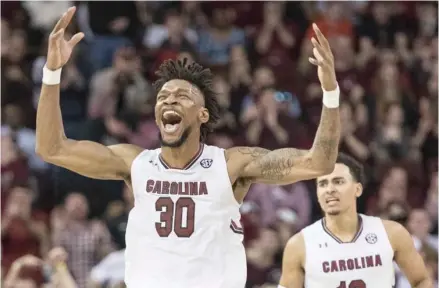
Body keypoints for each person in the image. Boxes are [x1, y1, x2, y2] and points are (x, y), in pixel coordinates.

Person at [36, 7, 341, 288]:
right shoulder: (136, 163)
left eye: (181, 95)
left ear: (202, 114)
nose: (168, 99)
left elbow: (318, 163)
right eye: (163, 96)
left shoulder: (231, 165)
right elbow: (52, 148)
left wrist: (330, 93)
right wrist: (51, 74)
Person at [278, 153, 433, 288]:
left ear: (357, 189)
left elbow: (421, 280)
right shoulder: (300, 244)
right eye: (323, 183)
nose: (330, 189)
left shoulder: (392, 233)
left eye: (338, 182)